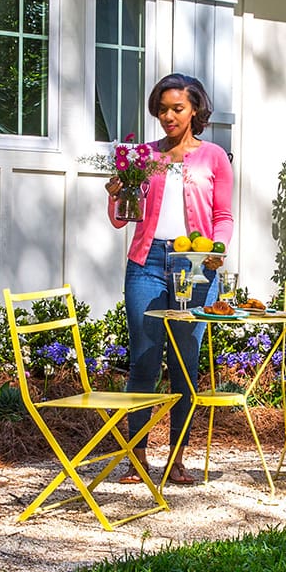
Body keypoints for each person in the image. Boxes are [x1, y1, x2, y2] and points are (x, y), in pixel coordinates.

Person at [104, 73, 233, 485]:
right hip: (146, 263)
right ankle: (137, 458)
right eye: (162, 109)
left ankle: (177, 459)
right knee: (144, 362)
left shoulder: (214, 157)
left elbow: (223, 216)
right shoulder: (144, 156)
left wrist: (217, 249)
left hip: (195, 266)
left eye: (177, 108)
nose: (169, 116)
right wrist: (115, 193)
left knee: (184, 364)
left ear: (194, 109)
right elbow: (121, 218)